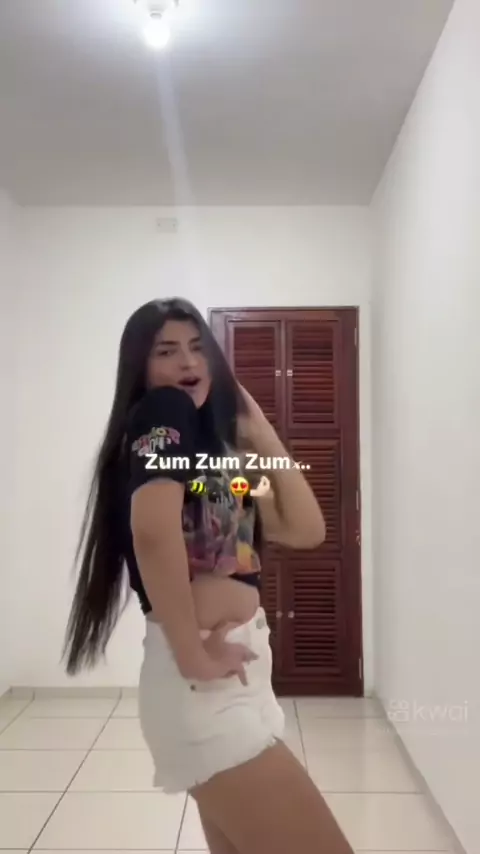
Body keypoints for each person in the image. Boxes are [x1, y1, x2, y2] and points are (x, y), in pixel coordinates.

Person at [63, 297, 354, 854]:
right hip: (202, 682)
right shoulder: (163, 412)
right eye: (166, 351)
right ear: (141, 367)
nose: (187, 362)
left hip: (238, 680)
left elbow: (304, 528)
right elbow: (152, 532)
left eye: (198, 347)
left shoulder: (213, 452)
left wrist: (260, 432)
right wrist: (194, 657)